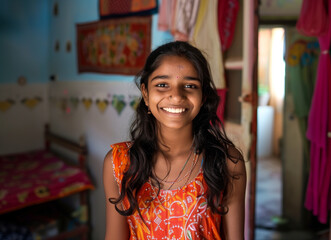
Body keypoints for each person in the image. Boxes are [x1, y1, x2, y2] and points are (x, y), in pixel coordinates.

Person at [103, 41, 246, 240]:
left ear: (203, 96)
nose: (176, 96)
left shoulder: (227, 161)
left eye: (190, 85)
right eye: (162, 85)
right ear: (145, 93)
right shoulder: (119, 163)